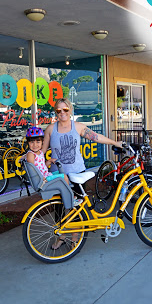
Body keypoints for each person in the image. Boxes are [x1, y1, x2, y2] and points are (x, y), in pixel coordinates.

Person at [42, 98, 123, 250]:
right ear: (55, 112)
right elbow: (42, 151)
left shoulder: (78, 127)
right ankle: (61, 236)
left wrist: (114, 143)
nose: (62, 113)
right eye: (59, 110)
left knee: (76, 208)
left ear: (70, 110)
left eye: (65, 109)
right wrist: (31, 157)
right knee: (60, 208)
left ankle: (75, 238)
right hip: (58, 176)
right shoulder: (51, 129)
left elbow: (96, 137)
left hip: (77, 174)